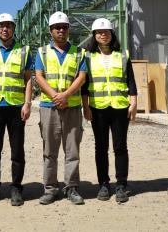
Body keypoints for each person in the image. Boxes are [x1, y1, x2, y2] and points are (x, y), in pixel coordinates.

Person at [81, 18, 137, 203]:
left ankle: (121, 185)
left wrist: (133, 102)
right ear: (94, 35)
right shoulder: (88, 57)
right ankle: (104, 184)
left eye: (106, 32)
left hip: (120, 107)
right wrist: (85, 106)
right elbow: (84, 85)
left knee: (120, 147)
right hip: (98, 108)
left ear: (112, 34)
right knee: (101, 147)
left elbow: (130, 80)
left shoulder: (123, 55)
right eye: (99, 32)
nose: (103, 35)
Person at [34, 11, 87, 205]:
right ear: (51, 31)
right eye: (57, 27)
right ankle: (50, 189)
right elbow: (39, 76)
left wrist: (65, 95)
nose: (61, 30)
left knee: (72, 151)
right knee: (50, 151)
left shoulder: (79, 52)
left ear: (68, 30)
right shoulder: (42, 52)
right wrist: (55, 96)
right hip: (49, 107)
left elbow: (82, 77)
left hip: (72, 106)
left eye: (64, 27)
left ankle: (71, 187)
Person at [0, 13, 32, 206]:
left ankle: (16, 188)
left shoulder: (23, 51)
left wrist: (27, 103)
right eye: (1, 26)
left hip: (16, 106)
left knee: (17, 150)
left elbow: (28, 79)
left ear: (13, 29)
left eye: (8, 26)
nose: (5, 29)